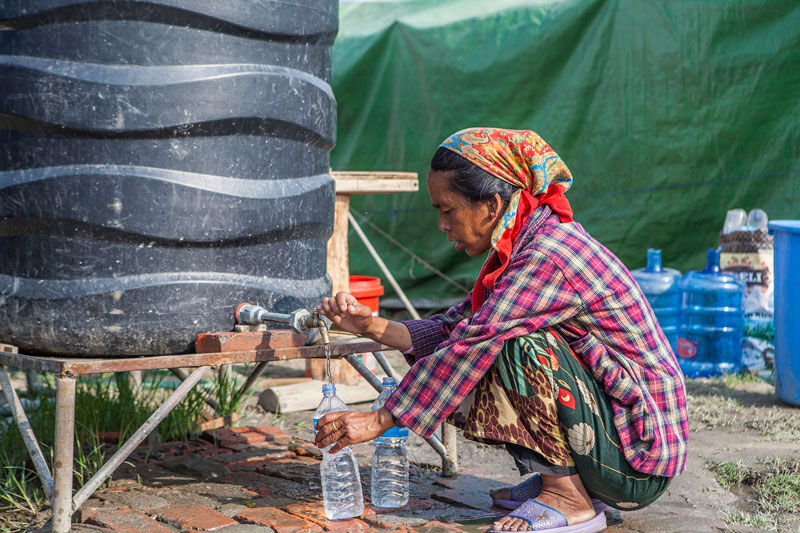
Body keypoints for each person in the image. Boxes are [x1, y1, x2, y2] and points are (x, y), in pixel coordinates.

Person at [314, 128, 688, 533]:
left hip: (638, 459)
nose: (442, 224)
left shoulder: (548, 255)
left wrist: (381, 419)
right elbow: (459, 326)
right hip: (616, 436)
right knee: (489, 341)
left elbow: (474, 341)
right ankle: (565, 480)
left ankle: (569, 497)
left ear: (491, 206)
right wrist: (372, 326)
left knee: (514, 345)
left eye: (447, 210)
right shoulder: (526, 243)